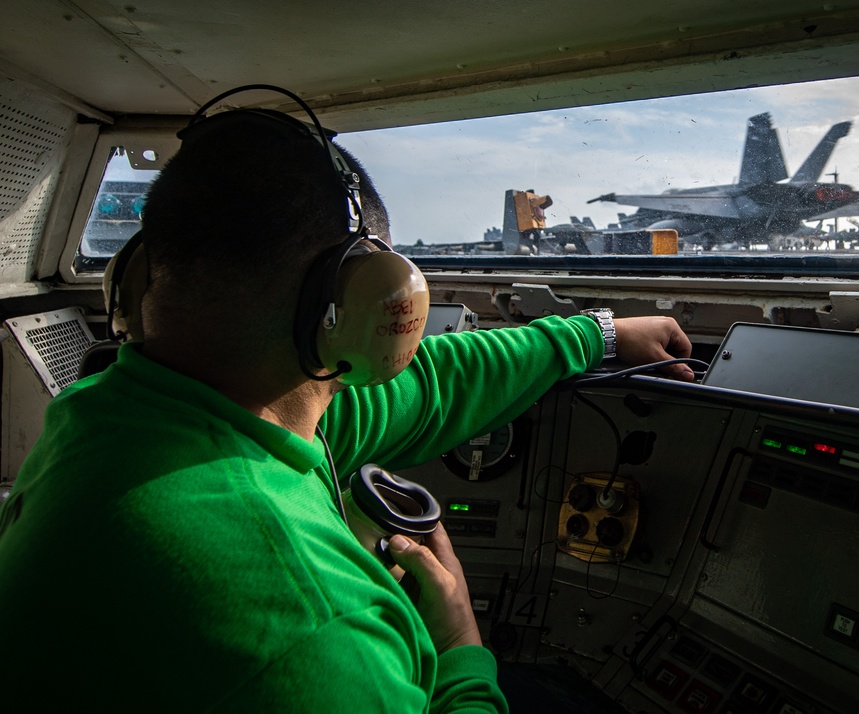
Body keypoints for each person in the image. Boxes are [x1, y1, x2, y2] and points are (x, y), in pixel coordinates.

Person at [0, 95, 693, 712]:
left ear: (143, 273)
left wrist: (596, 334)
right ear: (372, 305)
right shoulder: (311, 624)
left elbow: (425, 385)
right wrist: (458, 649)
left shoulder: (107, 414)